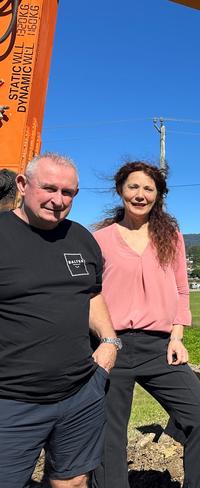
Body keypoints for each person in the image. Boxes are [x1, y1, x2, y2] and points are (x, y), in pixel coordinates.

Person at [92, 161, 200, 488]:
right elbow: (89, 295)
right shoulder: (101, 239)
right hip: (112, 345)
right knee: (109, 435)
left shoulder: (171, 237)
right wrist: (104, 340)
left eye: (149, 189)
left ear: (158, 195)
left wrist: (177, 336)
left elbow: (181, 289)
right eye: (133, 187)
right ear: (121, 190)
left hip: (159, 348)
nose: (140, 194)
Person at [0, 153, 118, 488]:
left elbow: (92, 294)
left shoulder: (80, 238)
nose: (58, 200)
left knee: (74, 481)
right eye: (49, 188)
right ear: (23, 185)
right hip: (11, 399)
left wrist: (109, 341)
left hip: (80, 393)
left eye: (68, 193)